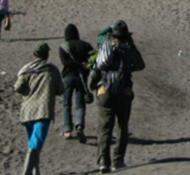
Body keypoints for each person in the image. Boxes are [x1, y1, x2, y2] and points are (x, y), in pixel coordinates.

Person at [93, 21, 145, 172]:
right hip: (124, 92)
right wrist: (129, 67)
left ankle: (103, 161)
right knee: (122, 126)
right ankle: (118, 160)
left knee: (104, 128)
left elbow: (97, 68)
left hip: (105, 93)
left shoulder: (105, 48)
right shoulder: (128, 50)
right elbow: (141, 65)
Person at [14, 42, 63, 175]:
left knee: (33, 143)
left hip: (27, 111)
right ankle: (27, 172)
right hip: (43, 111)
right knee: (35, 144)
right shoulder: (51, 70)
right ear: (47, 55)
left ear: (34, 54)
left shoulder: (27, 70)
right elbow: (60, 89)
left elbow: (18, 88)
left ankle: (36, 172)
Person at [58, 23, 93, 142]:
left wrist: (76, 64)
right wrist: (83, 66)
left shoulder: (63, 47)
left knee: (67, 104)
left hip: (68, 76)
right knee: (80, 103)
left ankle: (67, 130)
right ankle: (79, 125)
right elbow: (92, 60)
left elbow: (66, 63)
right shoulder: (86, 46)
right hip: (81, 77)